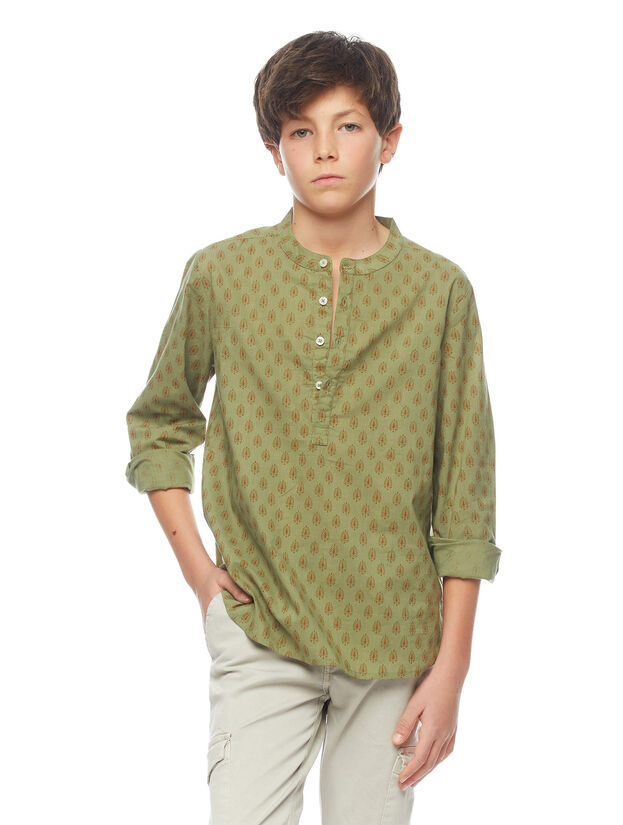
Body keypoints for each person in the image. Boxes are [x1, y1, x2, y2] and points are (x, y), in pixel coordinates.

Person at [125, 30, 502, 825]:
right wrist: (200, 575)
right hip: (261, 628)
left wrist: (452, 669)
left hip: (395, 640)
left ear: (389, 141)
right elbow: (158, 424)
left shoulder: (440, 292)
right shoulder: (223, 275)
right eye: (301, 131)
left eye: (348, 125)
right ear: (276, 153)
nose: (325, 149)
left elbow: (465, 494)